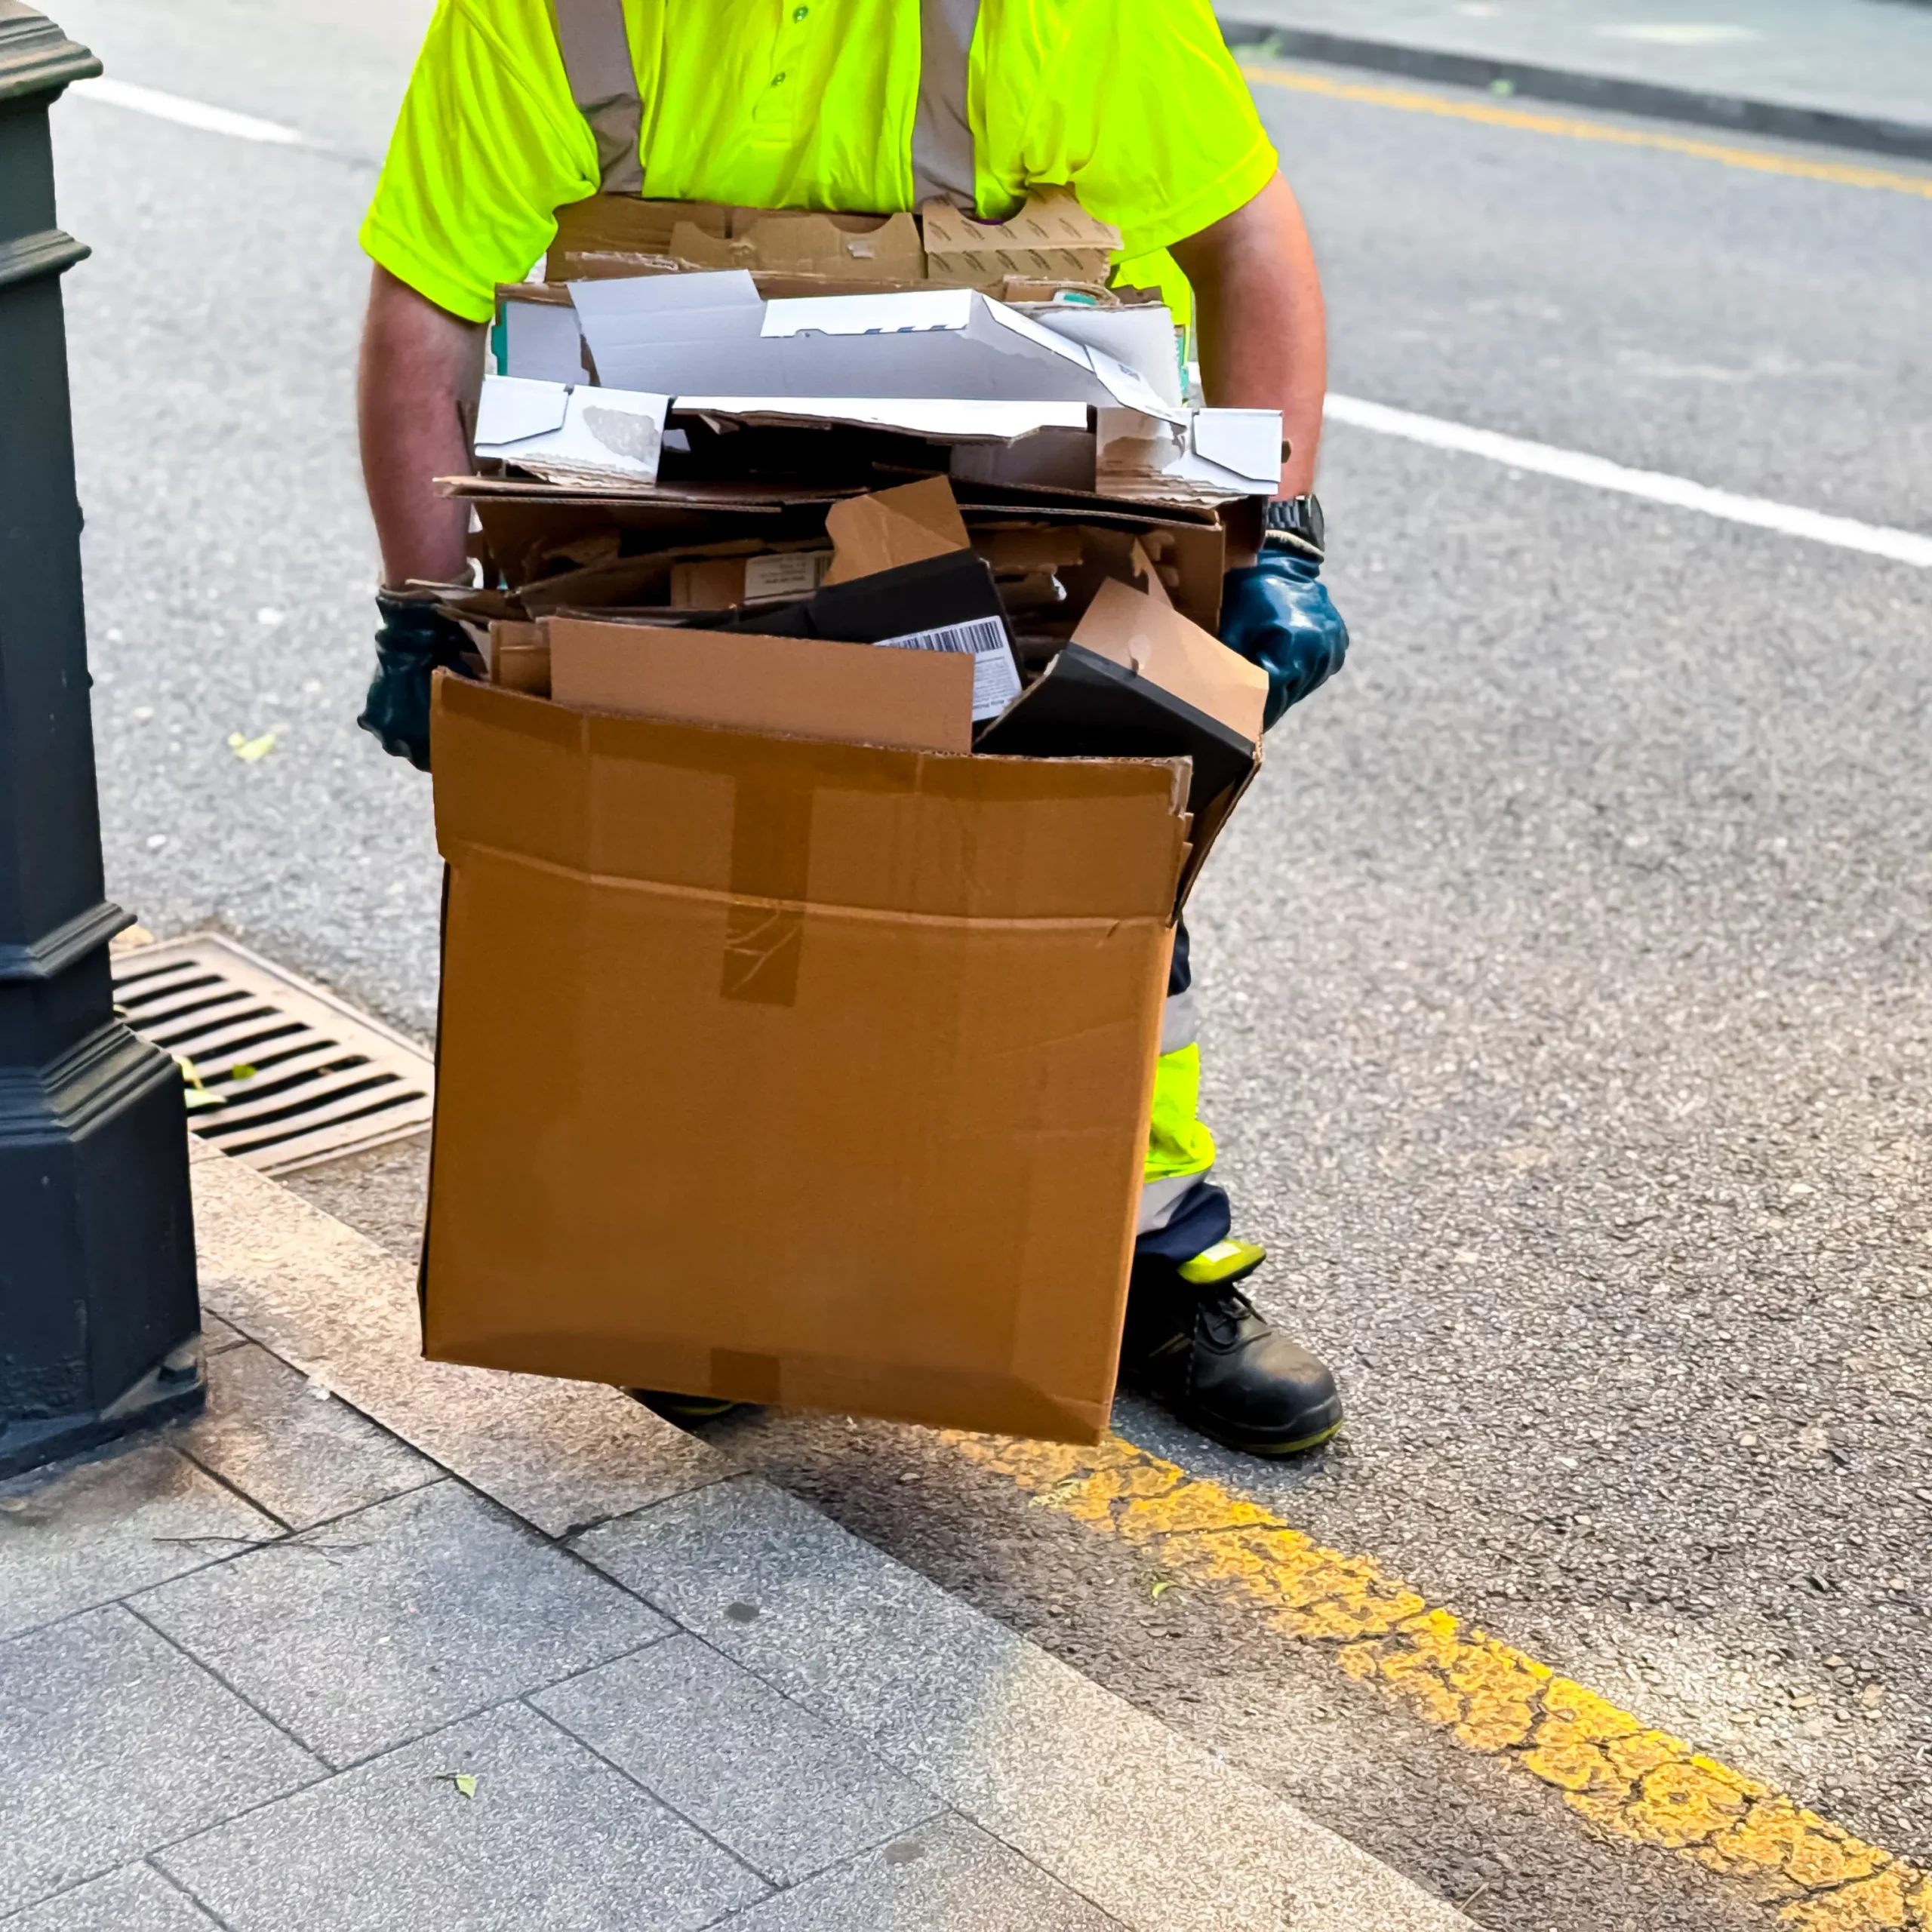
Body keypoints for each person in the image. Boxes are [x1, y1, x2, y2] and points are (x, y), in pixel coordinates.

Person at [355, 0, 1351, 1456]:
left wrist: (1279, 538)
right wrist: (423, 605)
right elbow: (427, 306)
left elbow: (1243, 238)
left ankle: (1141, 1255)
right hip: (682, 531)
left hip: (1019, 519)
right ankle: (722, 1262)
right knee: (690, 888)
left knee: (1077, 860)